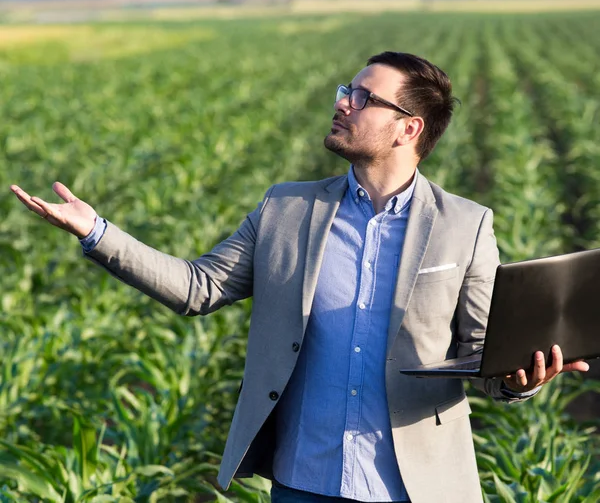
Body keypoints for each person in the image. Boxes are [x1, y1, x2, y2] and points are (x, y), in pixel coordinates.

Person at [11, 52, 589, 503]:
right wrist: (96, 231)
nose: (343, 103)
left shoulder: (465, 225)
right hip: (303, 482)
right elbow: (198, 287)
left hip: (415, 487)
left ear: (407, 129)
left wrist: (520, 380)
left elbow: (482, 356)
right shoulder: (285, 210)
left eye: (363, 97)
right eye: (346, 90)